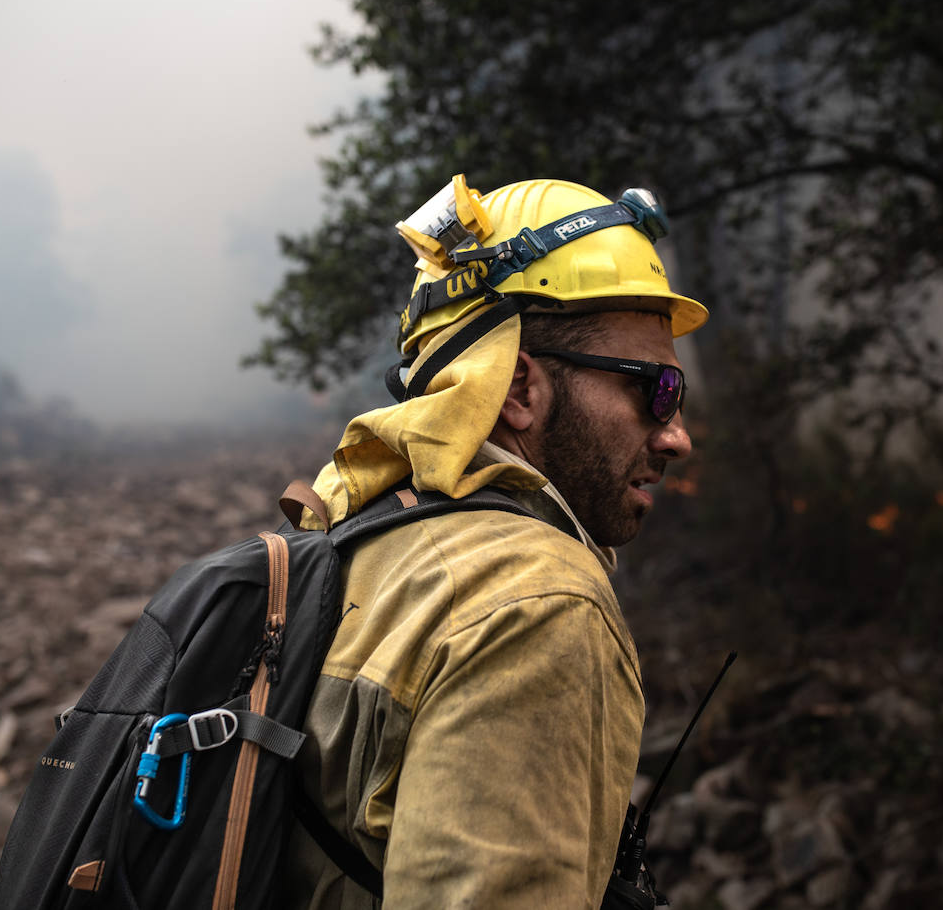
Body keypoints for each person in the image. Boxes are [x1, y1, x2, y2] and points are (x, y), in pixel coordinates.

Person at [286, 175, 709, 908]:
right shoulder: (538, 607)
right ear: (518, 390)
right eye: (657, 390)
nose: (678, 435)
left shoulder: (353, 538)